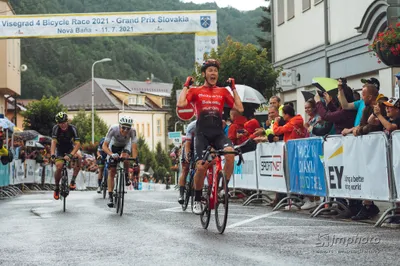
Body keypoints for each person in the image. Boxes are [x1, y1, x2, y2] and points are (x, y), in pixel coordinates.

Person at [177, 58, 244, 214]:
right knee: (201, 167)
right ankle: (197, 198)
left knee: (229, 155)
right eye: (210, 70)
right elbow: (180, 104)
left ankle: (223, 188)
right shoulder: (196, 91)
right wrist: (186, 86)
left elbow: (239, 108)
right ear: (204, 74)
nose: (213, 73)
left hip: (218, 134)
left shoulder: (223, 91)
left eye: (215, 71)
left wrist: (233, 89)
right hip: (202, 134)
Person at [102, 115, 138, 208]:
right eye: (123, 127)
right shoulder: (113, 129)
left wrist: (135, 160)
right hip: (113, 146)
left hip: (125, 146)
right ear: (119, 126)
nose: (125, 130)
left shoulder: (133, 131)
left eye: (128, 128)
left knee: (125, 157)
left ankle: (125, 176)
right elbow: (104, 146)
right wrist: (111, 154)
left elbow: (134, 147)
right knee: (112, 171)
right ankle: (110, 197)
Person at [50, 112, 81, 200]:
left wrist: (71, 155)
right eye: (60, 123)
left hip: (70, 148)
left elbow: (77, 144)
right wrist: (52, 154)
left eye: (64, 122)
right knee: (59, 167)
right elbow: (53, 142)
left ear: (67, 121)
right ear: (57, 123)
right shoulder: (56, 128)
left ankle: (73, 181)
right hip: (60, 149)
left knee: (79, 157)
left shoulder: (73, 128)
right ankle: (56, 187)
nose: (62, 125)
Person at [178, 119, 196, 204]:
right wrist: (187, 155)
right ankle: (181, 194)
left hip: (199, 147)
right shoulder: (192, 126)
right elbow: (188, 144)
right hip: (189, 146)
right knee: (185, 169)